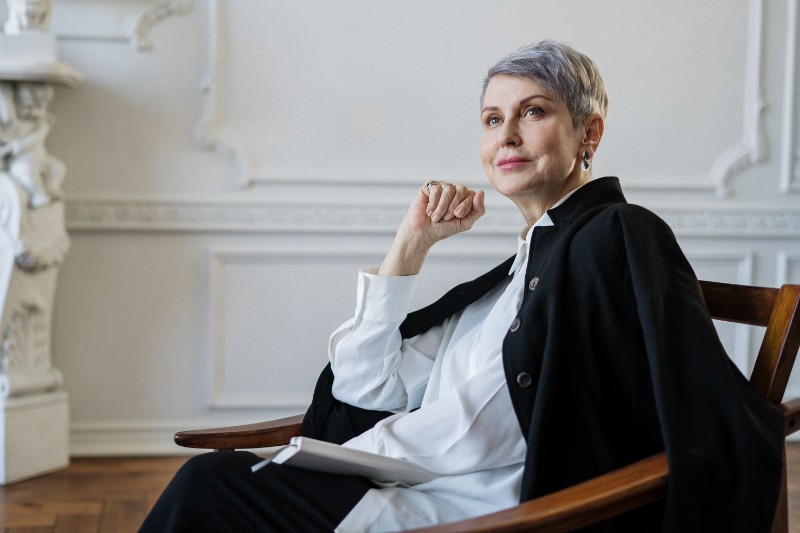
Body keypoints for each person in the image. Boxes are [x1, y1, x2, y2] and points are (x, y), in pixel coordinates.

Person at [140, 40, 784, 532]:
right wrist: (409, 246)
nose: (505, 135)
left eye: (533, 112)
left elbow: (500, 422)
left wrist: (343, 455)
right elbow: (368, 386)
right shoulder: (518, 270)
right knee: (213, 486)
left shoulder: (612, 234)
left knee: (210, 490)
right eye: (491, 118)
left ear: (589, 132)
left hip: (489, 510)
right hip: (420, 483)